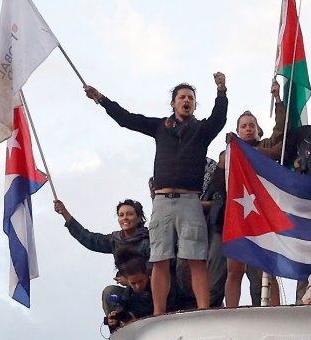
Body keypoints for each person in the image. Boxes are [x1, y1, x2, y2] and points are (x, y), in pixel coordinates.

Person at [84, 73, 229, 315]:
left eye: (191, 98)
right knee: (159, 259)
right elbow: (127, 119)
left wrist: (221, 91)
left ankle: (203, 309)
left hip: (190, 200)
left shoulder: (201, 130)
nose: (186, 100)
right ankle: (159, 313)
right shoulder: (160, 126)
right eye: (182, 97)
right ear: (173, 103)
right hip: (161, 201)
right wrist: (101, 99)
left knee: (196, 259)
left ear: (194, 104)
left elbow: (219, 119)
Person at [215, 104, 285, 308]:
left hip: (262, 213)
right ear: (237, 131)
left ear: (258, 129)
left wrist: (279, 100)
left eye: (251, 125)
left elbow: (281, 135)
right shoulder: (228, 153)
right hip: (237, 213)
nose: (248, 128)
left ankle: (275, 311)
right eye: (244, 126)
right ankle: (231, 311)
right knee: (234, 269)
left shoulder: (265, 146)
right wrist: (226, 156)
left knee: (266, 269)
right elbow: (218, 185)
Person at [54, 197, 149, 279]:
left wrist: (129, 280)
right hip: (129, 292)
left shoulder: (149, 240)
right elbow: (88, 239)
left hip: (152, 287)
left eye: (130, 214)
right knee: (110, 292)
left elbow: (155, 269)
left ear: (139, 218)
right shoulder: (115, 240)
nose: (125, 218)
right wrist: (64, 212)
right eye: (121, 215)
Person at [102, 253, 156, 332]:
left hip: (158, 322)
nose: (137, 286)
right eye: (133, 283)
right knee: (110, 291)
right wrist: (114, 323)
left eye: (140, 282)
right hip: (136, 331)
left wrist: (139, 322)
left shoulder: (159, 285)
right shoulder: (128, 295)